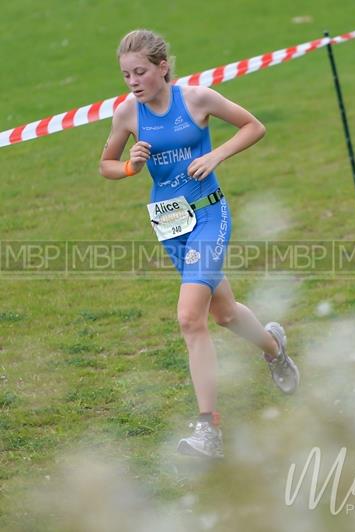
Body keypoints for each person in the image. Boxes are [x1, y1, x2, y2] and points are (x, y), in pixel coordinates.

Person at [99, 29, 299, 458]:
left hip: (210, 213)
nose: (133, 81)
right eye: (126, 75)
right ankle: (274, 347)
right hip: (170, 224)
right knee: (224, 314)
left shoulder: (197, 100)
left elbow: (253, 126)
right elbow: (105, 165)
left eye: (140, 72)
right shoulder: (127, 115)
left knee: (191, 318)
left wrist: (216, 155)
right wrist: (130, 168)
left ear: (162, 66)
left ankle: (209, 430)